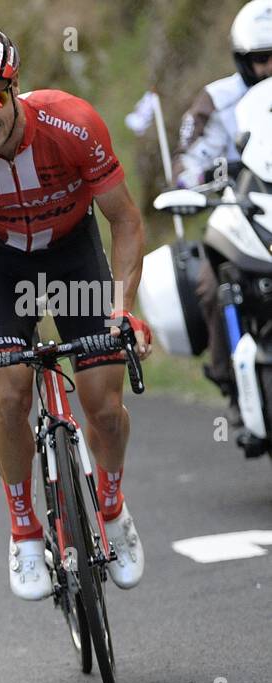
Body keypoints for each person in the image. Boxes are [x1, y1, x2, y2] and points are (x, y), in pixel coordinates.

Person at [0, 22, 152, 600]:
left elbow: (124, 220)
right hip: (1, 261)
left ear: (14, 87)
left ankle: (113, 504)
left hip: (74, 249)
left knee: (102, 403)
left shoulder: (72, 123)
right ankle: (24, 527)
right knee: (10, 392)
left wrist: (123, 310)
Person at [173, 0, 272, 414]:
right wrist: (194, 178)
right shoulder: (216, 100)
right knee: (212, 284)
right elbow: (187, 157)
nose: (269, 69)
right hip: (238, 206)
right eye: (260, 59)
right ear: (241, 59)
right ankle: (228, 377)